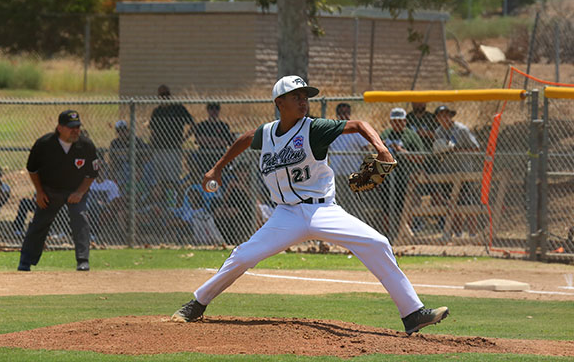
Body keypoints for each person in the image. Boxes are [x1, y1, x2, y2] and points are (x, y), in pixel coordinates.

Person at [171, 75, 449, 335]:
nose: (303, 101)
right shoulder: (266, 133)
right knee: (243, 256)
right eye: (296, 96)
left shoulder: (315, 128)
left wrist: (381, 148)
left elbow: (359, 124)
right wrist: (217, 168)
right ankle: (197, 304)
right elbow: (245, 139)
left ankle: (412, 314)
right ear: (280, 103)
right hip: (285, 215)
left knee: (378, 243)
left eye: (305, 96)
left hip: (323, 210)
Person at [17, 110, 99, 272]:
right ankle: (26, 261)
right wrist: (40, 192)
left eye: (77, 127)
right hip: (50, 191)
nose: (75, 130)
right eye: (71, 127)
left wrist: (80, 193)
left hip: (76, 191)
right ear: (59, 127)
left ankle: (83, 260)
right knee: (39, 224)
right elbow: (33, 170)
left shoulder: (86, 145)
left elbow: (92, 173)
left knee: (80, 218)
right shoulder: (44, 144)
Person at [432, 105, 480, 239]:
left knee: (469, 204)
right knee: (453, 203)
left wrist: (456, 150)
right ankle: (458, 234)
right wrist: (442, 150)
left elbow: (476, 149)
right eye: (441, 116)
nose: (444, 118)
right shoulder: (439, 132)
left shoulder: (461, 129)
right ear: (437, 118)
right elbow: (439, 151)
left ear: (451, 116)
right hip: (448, 172)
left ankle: (472, 234)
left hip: (464, 171)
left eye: (447, 115)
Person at [379, 108, 425, 240]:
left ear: (405, 121)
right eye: (395, 121)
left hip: (405, 176)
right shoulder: (386, 133)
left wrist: (402, 151)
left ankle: (404, 236)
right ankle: (388, 236)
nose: (397, 124)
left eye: (400, 121)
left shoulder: (411, 135)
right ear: (391, 122)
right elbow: (376, 150)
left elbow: (421, 158)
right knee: (387, 207)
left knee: (405, 207)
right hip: (387, 177)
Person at [328, 103, 371, 217]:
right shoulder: (333, 131)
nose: (344, 116)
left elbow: (366, 150)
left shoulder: (356, 130)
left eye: (346, 113)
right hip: (337, 173)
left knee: (355, 203)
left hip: (353, 173)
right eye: (341, 113)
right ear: (337, 115)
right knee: (339, 203)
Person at [149, 85, 195, 183]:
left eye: (166, 94)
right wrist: (152, 146)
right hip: (159, 148)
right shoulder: (157, 111)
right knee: (159, 178)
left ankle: (173, 196)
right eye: (162, 95)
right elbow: (152, 130)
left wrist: (183, 139)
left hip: (173, 148)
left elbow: (193, 125)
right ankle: (162, 197)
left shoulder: (178, 109)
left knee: (172, 178)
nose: (164, 97)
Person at [190, 103, 235, 182]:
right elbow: (199, 140)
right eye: (211, 108)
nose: (214, 111)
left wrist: (208, 140)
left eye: (216, 108)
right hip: (204, 156)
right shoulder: (202, 125)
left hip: (219, 155)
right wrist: (216, 140)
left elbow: (225, 142)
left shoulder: (223, 125)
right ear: (208, 110)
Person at [108, 120, 145, 189]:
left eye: (123, 130)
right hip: (119, 169)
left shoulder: (136, 140)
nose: (122, 133)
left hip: (134, 168)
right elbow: (111, 161)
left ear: (127, 131)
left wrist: (140, 169)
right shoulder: (114, 143)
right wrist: (111, 173)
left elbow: (145, 155)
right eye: (119, 131)